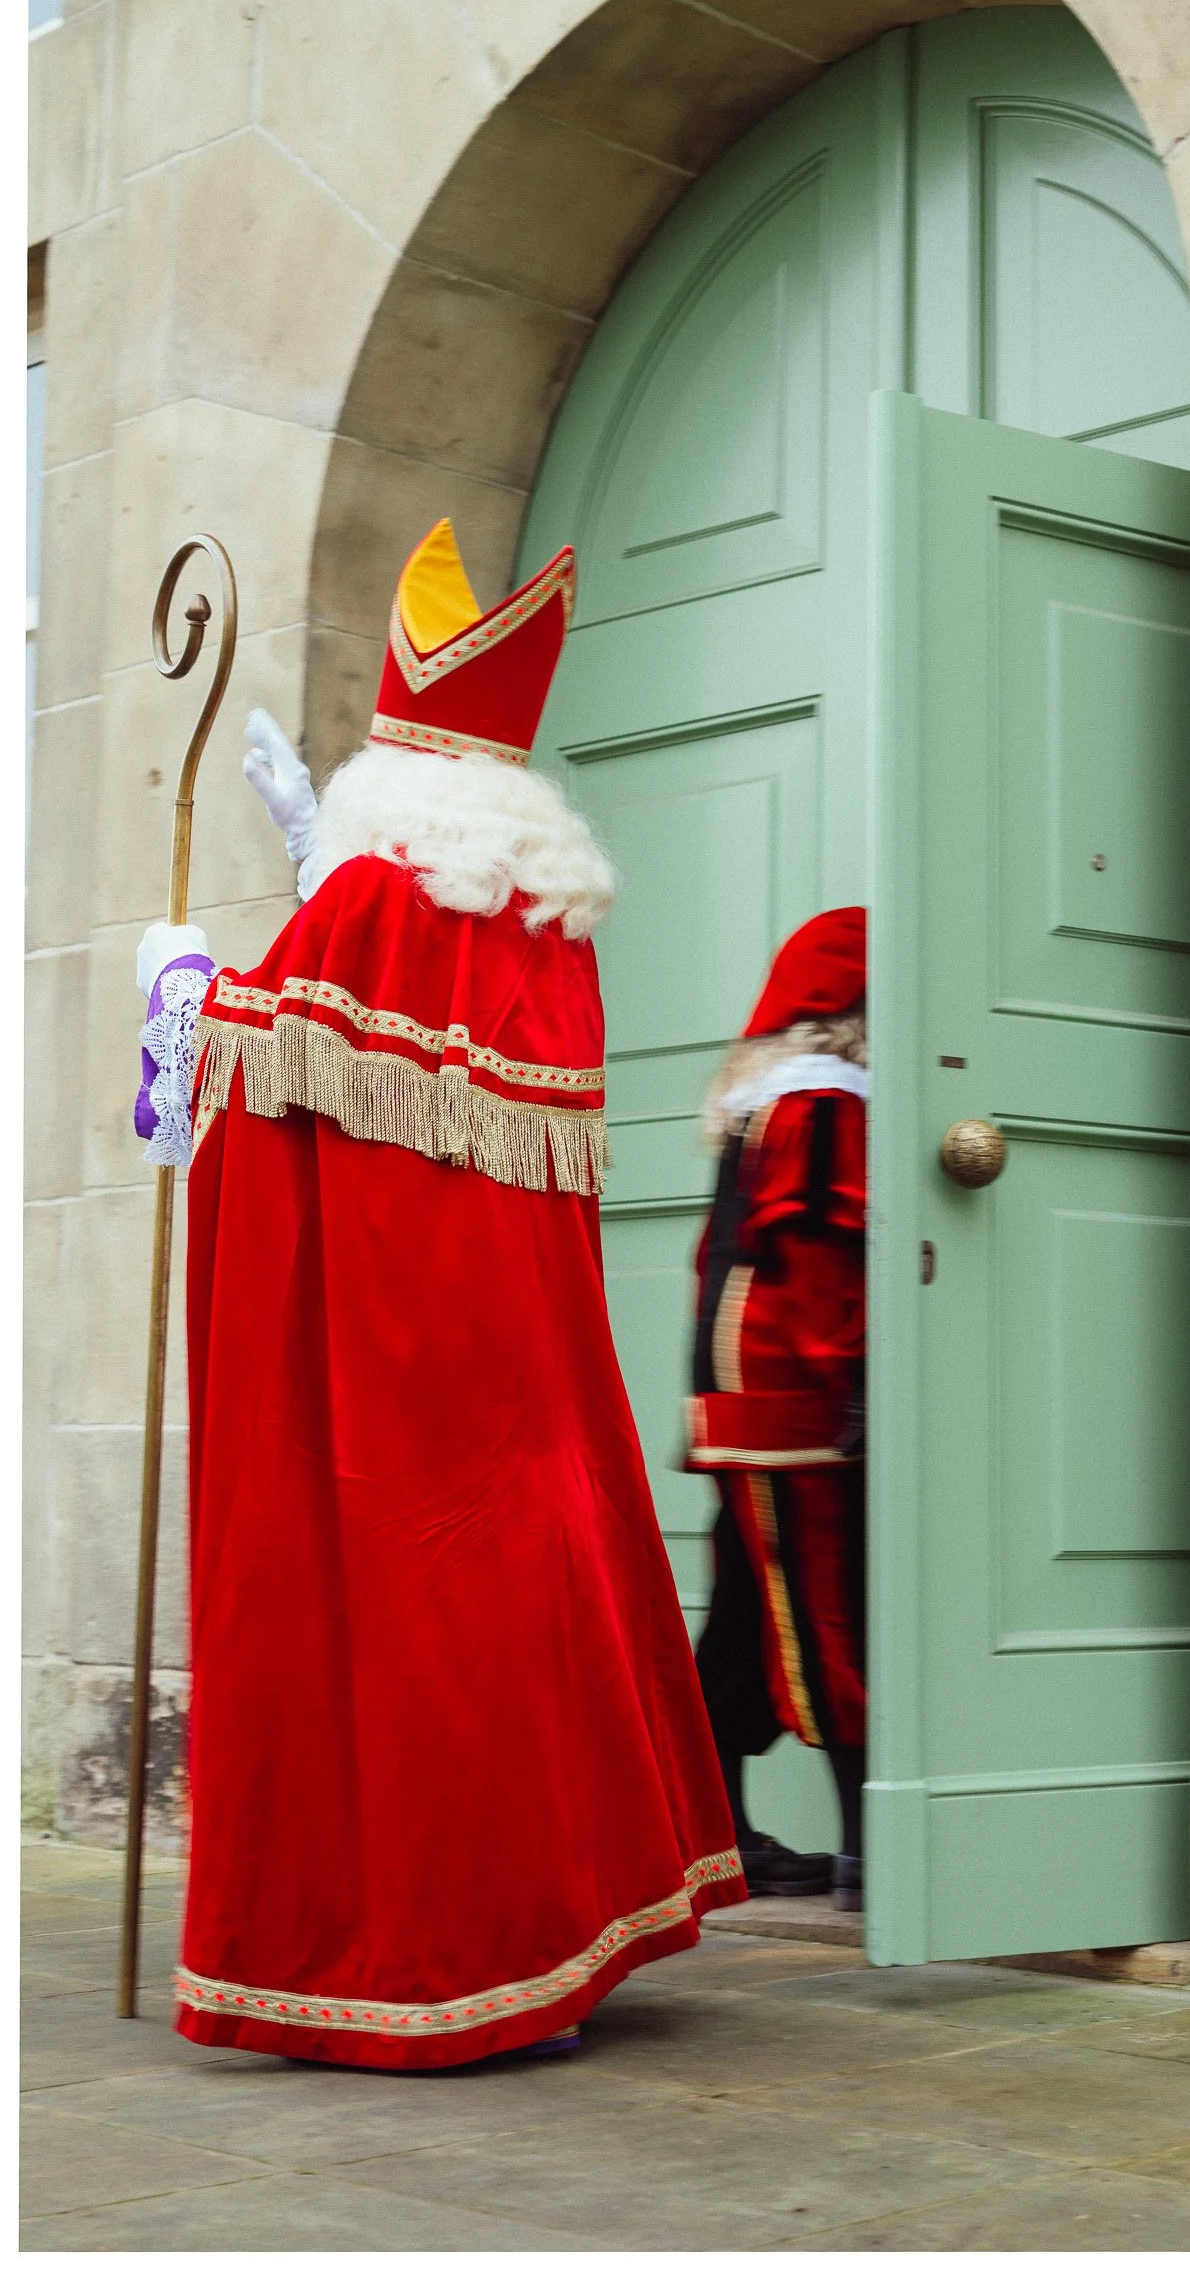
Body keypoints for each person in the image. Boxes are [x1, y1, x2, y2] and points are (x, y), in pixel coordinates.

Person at [134, 520, 744, 2070]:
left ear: (393, 780)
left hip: (389, 1373)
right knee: (517, 1615)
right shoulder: (533, 926)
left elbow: (273, 1073)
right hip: (516, 1366)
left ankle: (435, 1961)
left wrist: (180, 990)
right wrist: (307, 882)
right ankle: (551, 1941)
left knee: (404, 1633)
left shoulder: (371, 901)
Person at [684, 911, 869, 1912]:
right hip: (795, 1404)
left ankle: (712, 1833)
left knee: (747, 1620)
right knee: (826, 1614)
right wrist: (856, 1381)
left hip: (745, 1401)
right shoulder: (820, 1104)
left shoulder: (764, 1106)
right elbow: (814, 1272)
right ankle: (868, 1848)